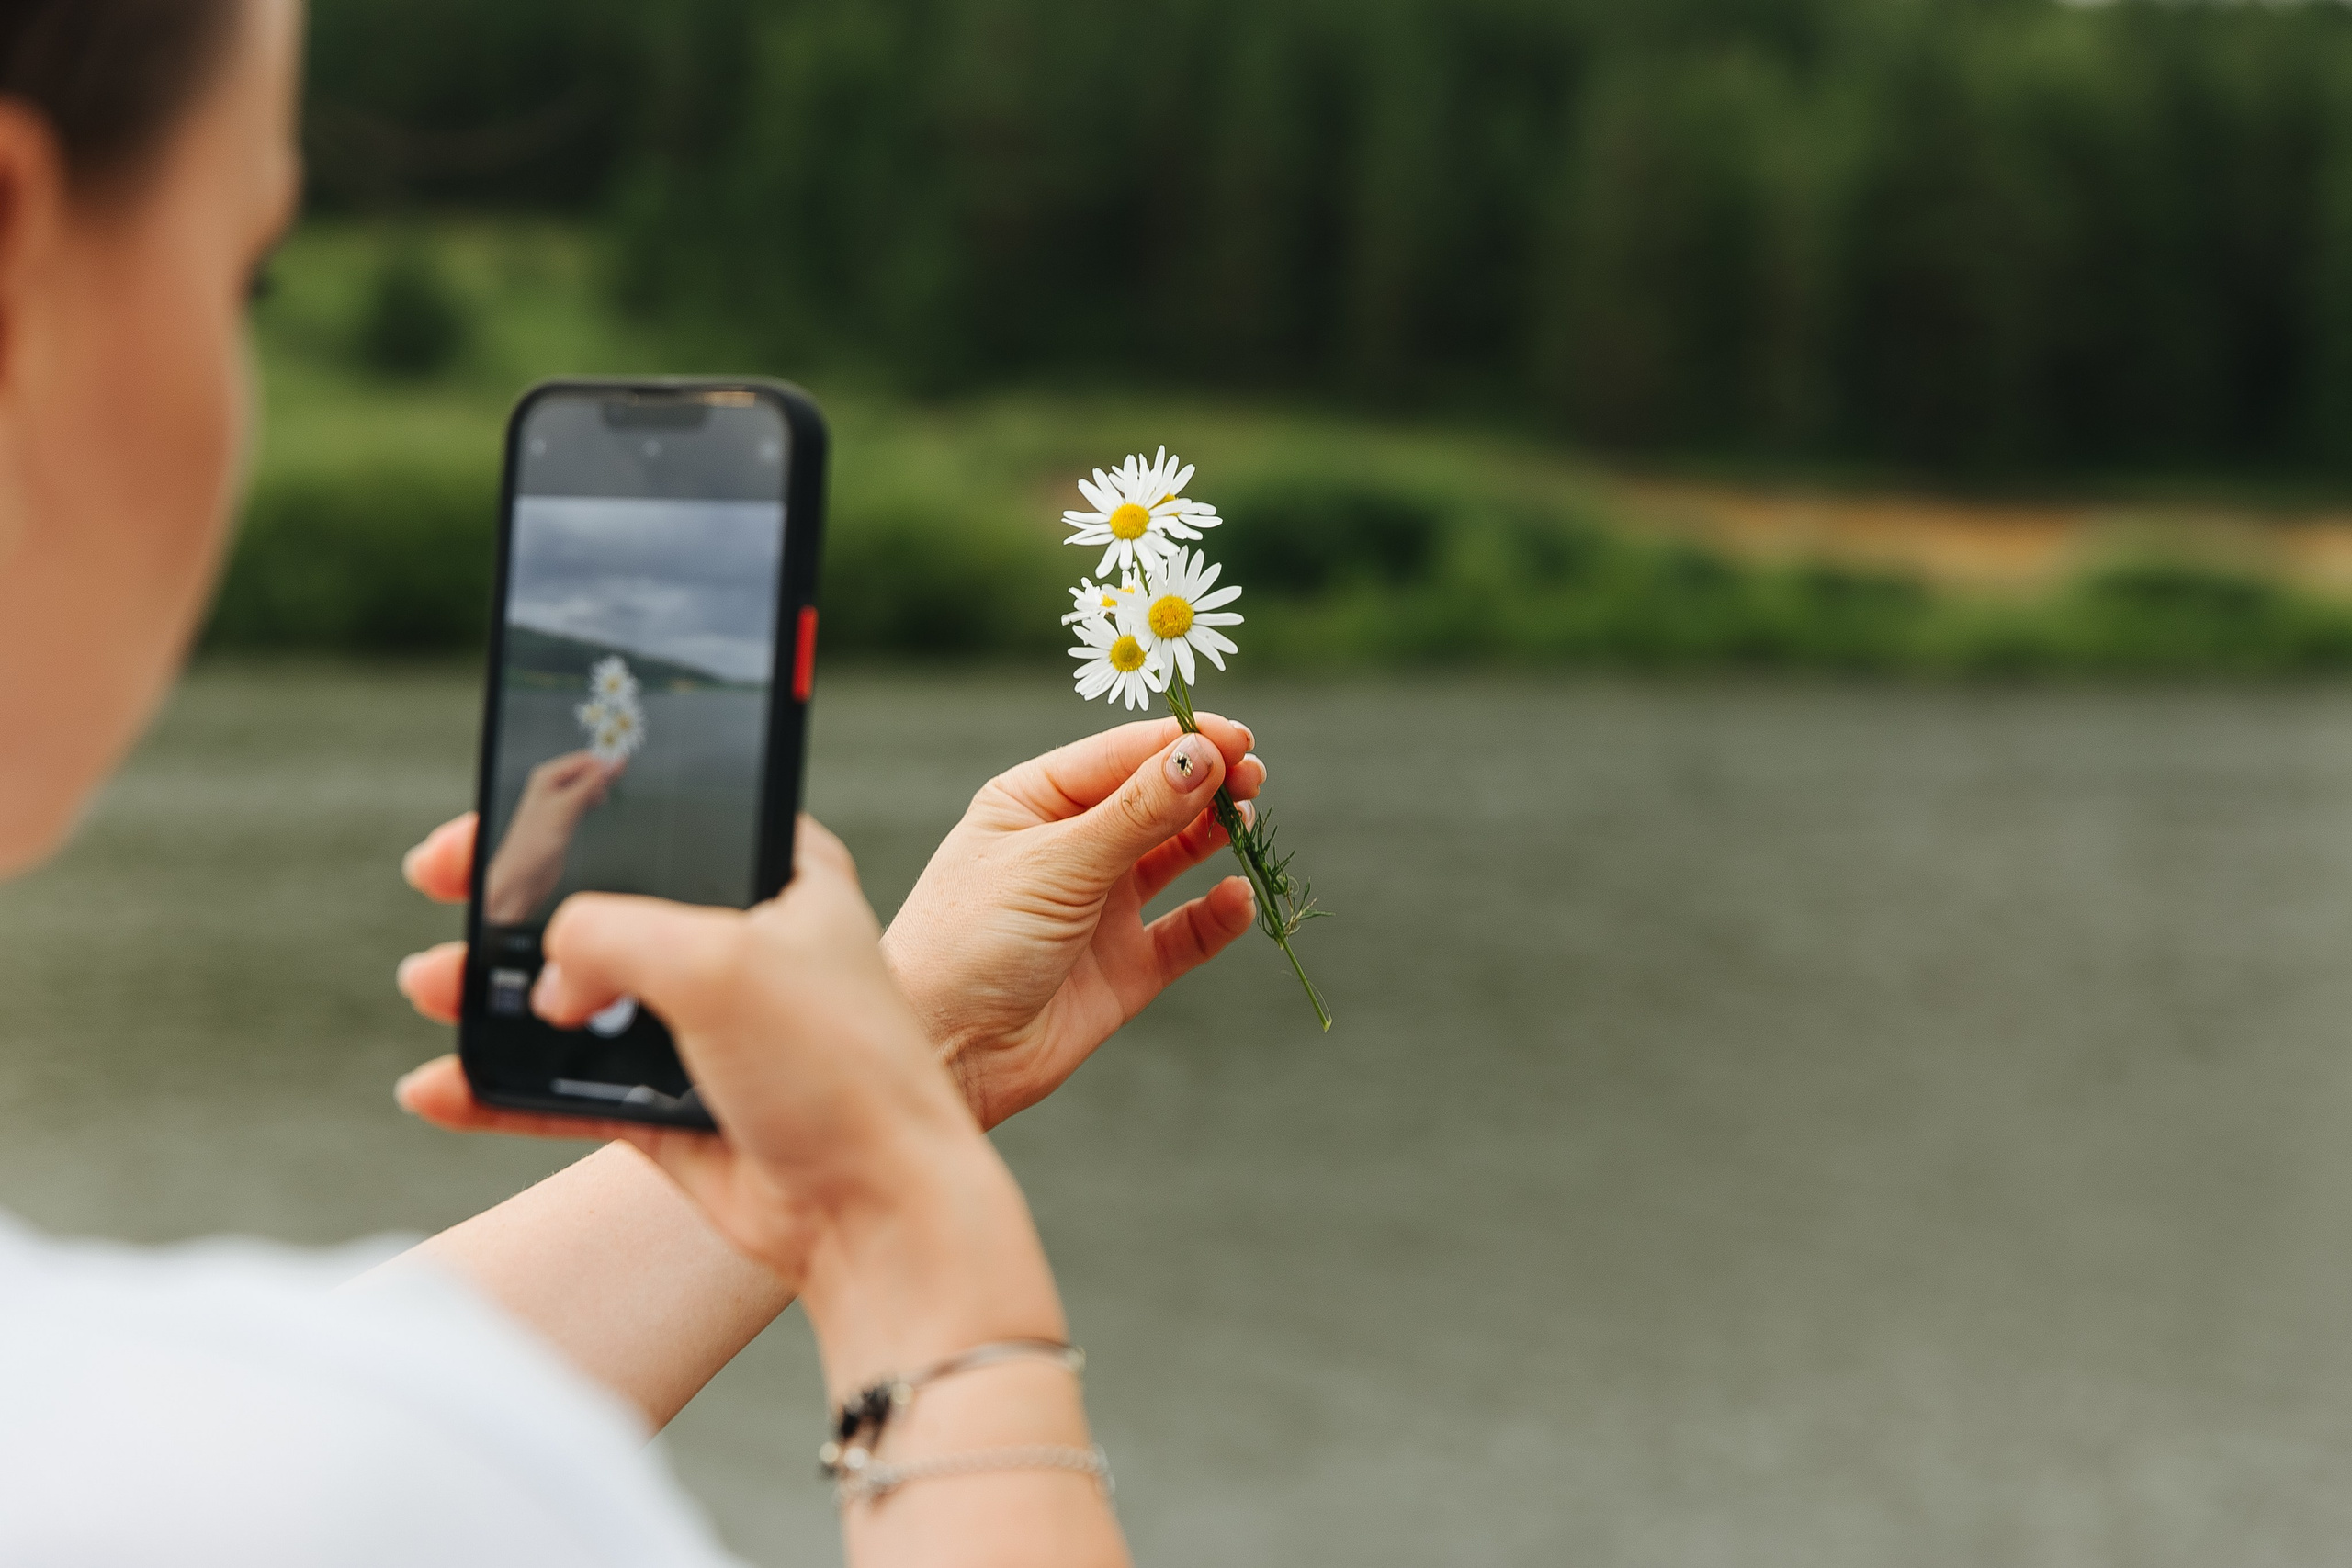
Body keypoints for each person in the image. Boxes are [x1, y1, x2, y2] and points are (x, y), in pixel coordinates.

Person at [0, 1, 1270, 1562]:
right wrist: (904, 1222)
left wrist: (902, 1050)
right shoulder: (415, 1496)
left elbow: (176, 1447)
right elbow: (297, 1473)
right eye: (246, 273)